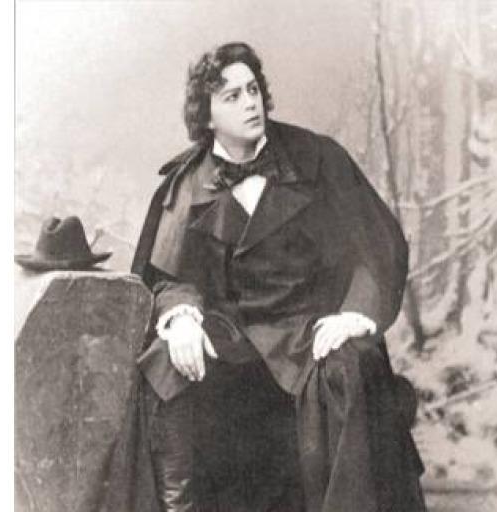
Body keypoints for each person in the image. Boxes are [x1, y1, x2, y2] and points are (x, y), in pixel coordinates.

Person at [128, 41, 426, 512]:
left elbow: (376, 246)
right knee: (167, 359)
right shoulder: (187, 184)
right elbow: (167, 274)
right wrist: (182, 315)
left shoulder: (317, 158)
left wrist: (354, 313)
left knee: (348, 364)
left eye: (253, 90)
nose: (250, 103)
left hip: (308, 327)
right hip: (234, 336)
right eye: (232, 96)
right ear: (207, 116)